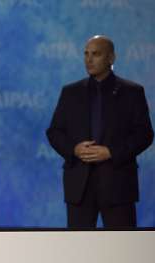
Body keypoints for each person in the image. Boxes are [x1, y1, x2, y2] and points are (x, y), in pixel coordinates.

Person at [47, 35, 153, 228]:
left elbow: (144, 134)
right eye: (86, 54)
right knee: (78, 251)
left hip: (118, 186)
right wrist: (74, 149)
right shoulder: (70, 92)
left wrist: (111, 152)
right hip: (79, 187)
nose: (89, 59)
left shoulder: (132, 92)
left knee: (121, 250)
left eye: (95, 54)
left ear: (111, 58)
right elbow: (54, 132)